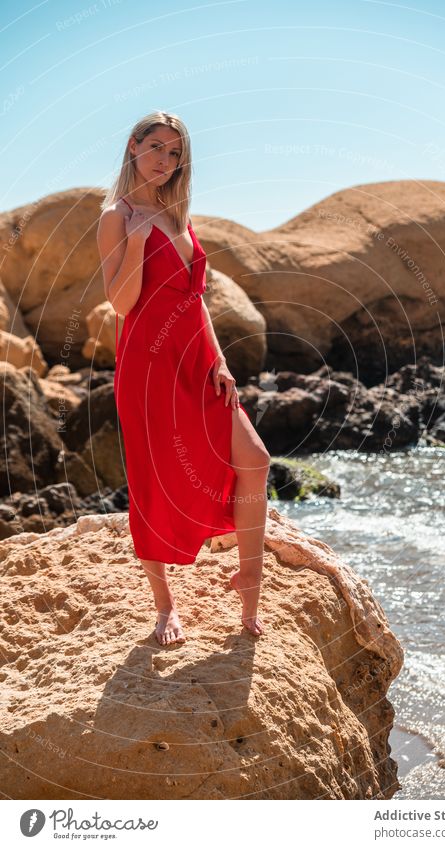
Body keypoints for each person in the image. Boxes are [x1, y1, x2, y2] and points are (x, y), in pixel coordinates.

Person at [97, 111, 270, 644]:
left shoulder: (178, 213)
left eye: (175, 154)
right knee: (153, 479)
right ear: (133, 147)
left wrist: (219, 358)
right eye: (156, 148)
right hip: (148, 365)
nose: (165, 162)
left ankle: (250, 577)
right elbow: (122, 303)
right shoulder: (117, 214)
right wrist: (134, 236)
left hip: (196, 359)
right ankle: (164, 606)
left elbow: (196, 298)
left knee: (255, 459)